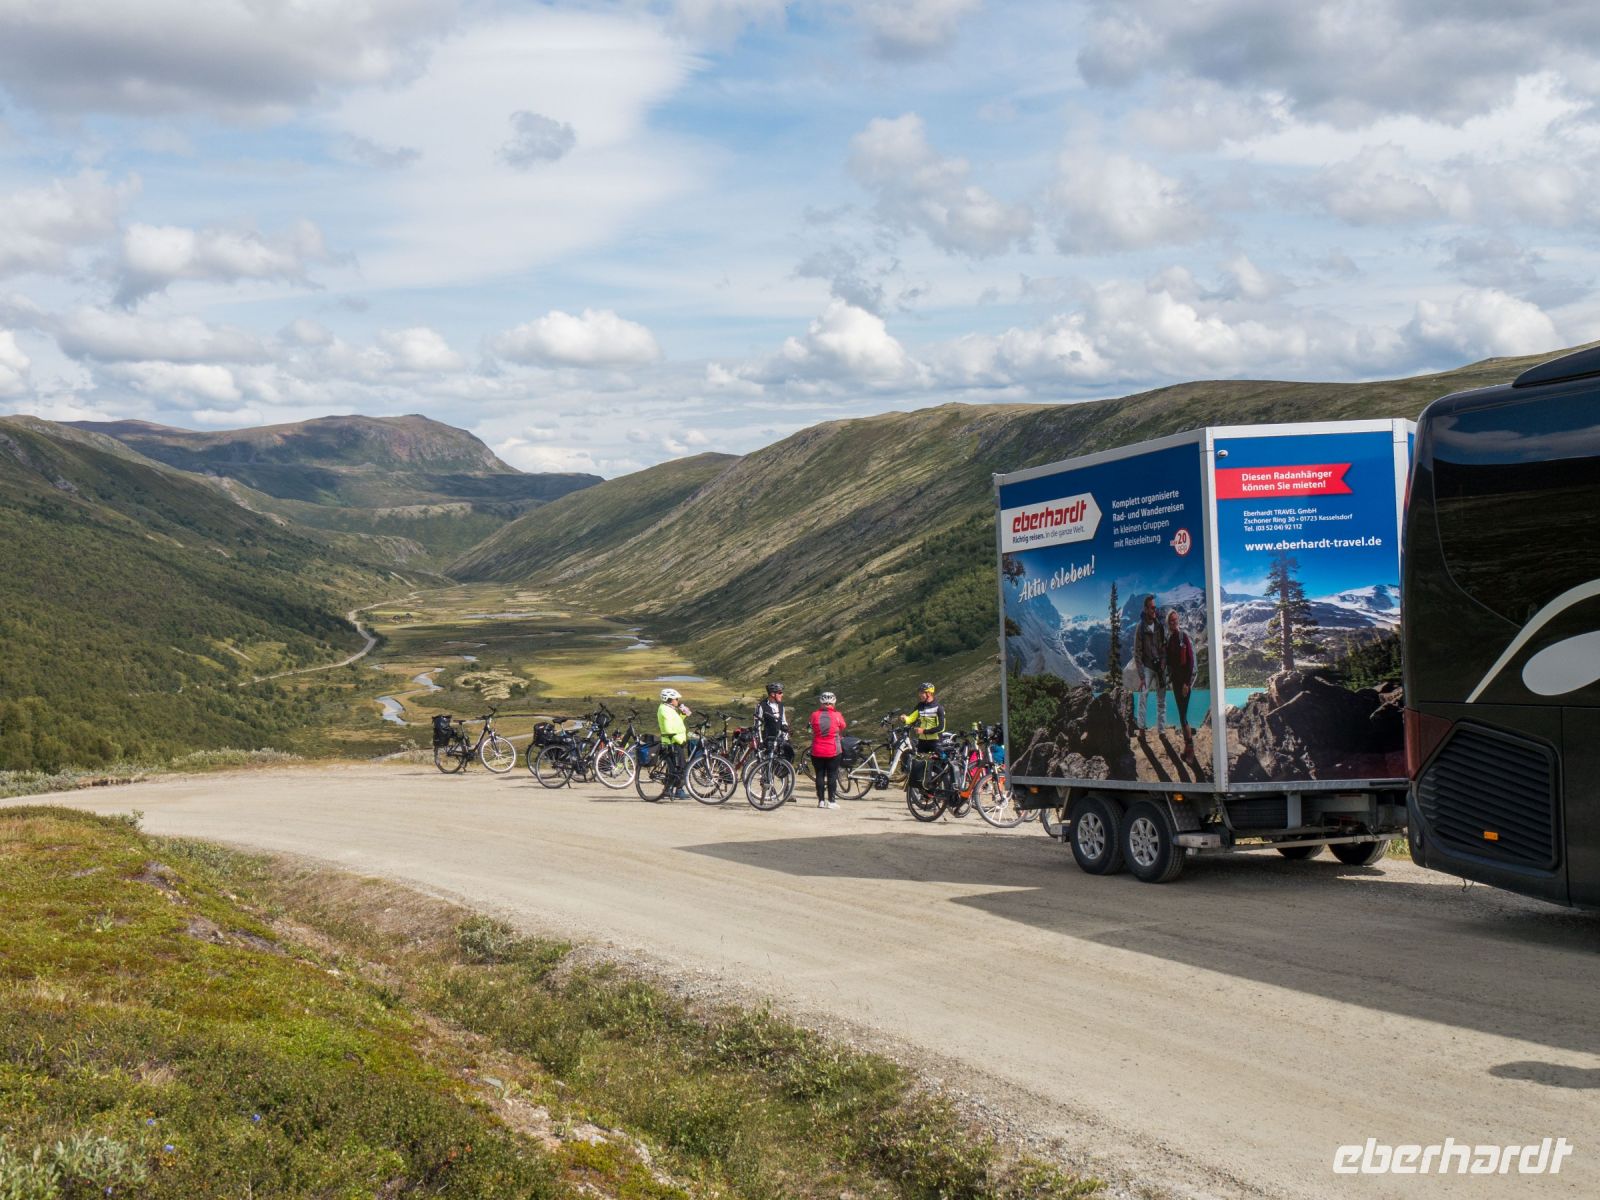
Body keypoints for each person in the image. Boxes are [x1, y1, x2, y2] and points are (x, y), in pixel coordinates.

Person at [902, 681, 947, 797]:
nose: (919, 695)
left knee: (941, 765)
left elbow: (941, 728)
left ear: (929, 693)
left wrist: (924, 731)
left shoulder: (939, 708)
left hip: (935, 741)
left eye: (922, 693)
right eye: (920, 693)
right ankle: (923, 791)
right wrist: (905, 718)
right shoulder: (920, 706)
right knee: (919, 765)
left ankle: (942, 787)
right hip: (922, 741)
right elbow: (911, 718)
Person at [1164, 608, 1197, 760]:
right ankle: (1187, 748)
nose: (1174, 623)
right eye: (1171, 621)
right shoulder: (1170, 640)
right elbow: (1171, 662)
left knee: (1183, 717)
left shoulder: (1183, 637)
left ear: (1178, 621)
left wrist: (1186, 683)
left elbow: (1190, 662)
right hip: (1176, 683)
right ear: (1168, 623)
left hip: (1183, 684)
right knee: (1181, 716)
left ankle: (1189, 751)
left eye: (1175, 620)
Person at [1132, 594, 1167, 734]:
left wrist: (1163, 663)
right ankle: (1141, 729)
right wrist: (1141, 676)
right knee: (1142, 697)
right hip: (1147, 667)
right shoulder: (1140, 628)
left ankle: (1162, 731)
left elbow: (1164, 647)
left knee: (1162, 699)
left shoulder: (1159, 626)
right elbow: (1137, 653)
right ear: (1146, 609)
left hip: (1160, 667)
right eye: (1152, 608)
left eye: (1155, 607)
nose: (1155, 610)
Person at [809, 691, 846, 809]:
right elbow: (843, 726)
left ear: (821, 703)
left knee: (819, 775)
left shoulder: (814, 715)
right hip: (833, 750)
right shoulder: (837, 715)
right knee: (832, 775)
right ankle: (831, 801)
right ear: (834, 703)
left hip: (817, 749)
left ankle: (820, 801)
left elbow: (809, 729)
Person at [656, 687, 691, 800]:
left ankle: (672, 789)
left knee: (677, 767)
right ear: (670, 699)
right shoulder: (664, 710)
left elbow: (677, 723)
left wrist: (683, 714)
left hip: (677, 741)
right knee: (678, 767)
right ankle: (675, 790)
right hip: (671, 742)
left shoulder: (670, 709)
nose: (678, 701)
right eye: (676, 699)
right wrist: (677, 738)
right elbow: (668, 728)